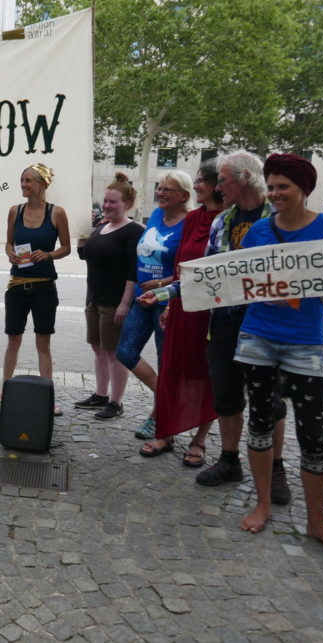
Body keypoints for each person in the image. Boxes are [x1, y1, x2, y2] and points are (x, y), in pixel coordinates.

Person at [235, 153, 323, 559]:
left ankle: (317, 523)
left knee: (312, 432)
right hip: (257, 336)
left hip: (305, 343)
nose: (275, 194)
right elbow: (240, 279)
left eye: (283, 187)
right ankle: (261, 503)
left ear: (304, 190)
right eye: (271, 186)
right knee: (260, 421)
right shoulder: (258, 230)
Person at [187, 151, 291, 505]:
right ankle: (230, 461)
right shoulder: (224, 220)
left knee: (272, 401)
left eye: (223, 180)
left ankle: (276, 468)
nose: (218, 187)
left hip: (267, 325)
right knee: (227, 396)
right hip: (226, 322)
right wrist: (172, 293)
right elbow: (209, 270)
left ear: (245, 178)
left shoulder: (279, 218)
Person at [137, 160, 223, 465]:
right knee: (173, 370)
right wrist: (168, 302)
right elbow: (180, 271)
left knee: (205, 375)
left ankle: (199, 441)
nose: (196, 185)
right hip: (183, 308)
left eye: (201, 181)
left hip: (213, 313)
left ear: (217, 185)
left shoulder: (227, 220)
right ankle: (166, 432)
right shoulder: (194, 218)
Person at [0, 164, 70, 412]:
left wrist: (48, 255)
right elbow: (8, 243)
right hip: (17, 286)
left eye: (29, 181)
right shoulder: (15, 211)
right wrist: (10, 255)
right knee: (13, 340)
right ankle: (5, 387)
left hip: (45, 287)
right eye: (22, 180)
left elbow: (66, 247)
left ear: (43, 185)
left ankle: (48, 396)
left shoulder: (57, 213)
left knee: (43, 342)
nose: (24, 185)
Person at [120, 171, 191, 450]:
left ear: (183, 195)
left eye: (167, 190)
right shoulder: (157, 216)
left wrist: (162, 285)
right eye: (159, 188)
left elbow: (189, 271)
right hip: (141, 298)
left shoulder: (190, 224)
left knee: (167, 364)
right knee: (125, 352)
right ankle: (167, 402)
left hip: (166, 302)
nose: (160, 193)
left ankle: (162, 419)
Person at [74, 174, 143, 421]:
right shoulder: (102, 227)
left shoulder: (133, 231)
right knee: (98, 349)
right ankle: (100, 395)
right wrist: (82, 232)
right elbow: (85, 255)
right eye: (105, 201)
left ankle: (116, 402)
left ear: (127, 204)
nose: (107, 205)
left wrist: (125, 304)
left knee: (114, 353)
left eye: (113, 202)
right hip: (93, 297)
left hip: (114, 301)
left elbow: (133, 272)